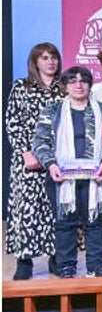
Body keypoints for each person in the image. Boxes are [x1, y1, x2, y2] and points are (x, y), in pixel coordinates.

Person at [31, 66, 102, 277]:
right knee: (64, 222)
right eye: (73, 81)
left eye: (83, 81)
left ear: (89, 84)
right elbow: (40, 142)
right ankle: (66, 267)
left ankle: (96, 267)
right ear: (65, 85)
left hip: (97, 177)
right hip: (61, 177)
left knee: (95, 223)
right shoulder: (52, 110)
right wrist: (51, 164)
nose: (79, 85)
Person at [6, 43, 65, 279]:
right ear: (35, 62)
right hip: (28, 159)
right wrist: (25, 152)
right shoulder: (21, 87)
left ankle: (57, 259)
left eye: (54, 57)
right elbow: (13, 122)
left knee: (57, 209)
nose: (50, 62)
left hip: (58, 159)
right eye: (44, 58)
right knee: (27, 210)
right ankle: (24, 262)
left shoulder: (65, 88)